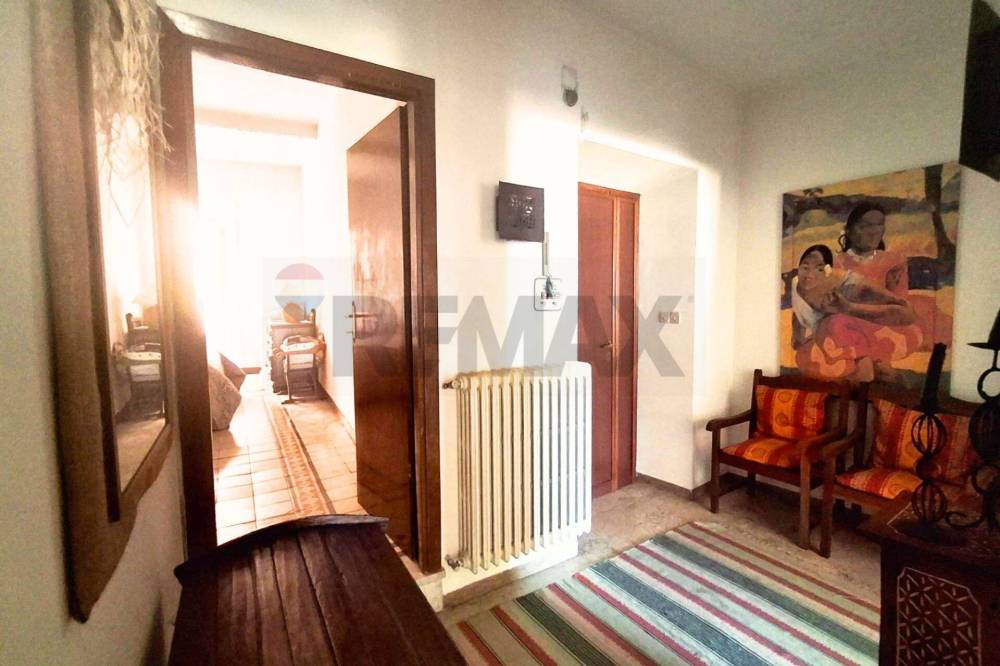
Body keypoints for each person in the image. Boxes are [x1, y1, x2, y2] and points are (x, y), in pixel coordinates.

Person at [792, 219, 922, 382]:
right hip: (828, 341)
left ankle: (869, 367)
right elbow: (798, 310)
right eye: (805, 267)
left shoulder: (849, 283)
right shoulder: (797, 283)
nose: (809, 274)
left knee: (835, 324)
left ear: (827, 270)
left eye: (818, 269)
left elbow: (901, 309)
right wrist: (797, 337)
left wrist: (848, 308)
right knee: (805, 359)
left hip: (862, 333)